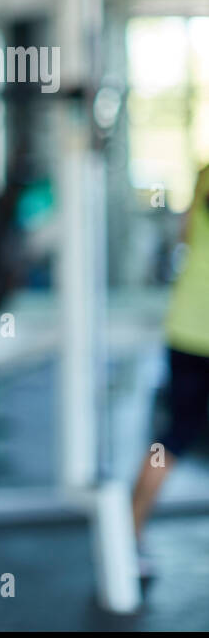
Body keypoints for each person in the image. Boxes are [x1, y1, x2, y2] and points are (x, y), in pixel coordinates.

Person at [131, 163, 209, 580]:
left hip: (188, 327)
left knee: (173, 436)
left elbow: (185, 236)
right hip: (195, 331)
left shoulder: (202, 174)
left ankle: (128, 537)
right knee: (176, 435)